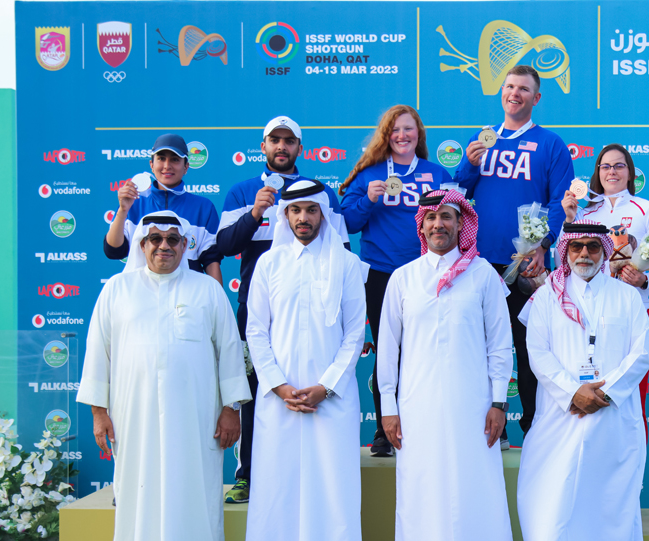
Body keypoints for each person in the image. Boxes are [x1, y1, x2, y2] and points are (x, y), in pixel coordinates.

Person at [77, 210, 251, 541]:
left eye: (174, 239)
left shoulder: (207, 291)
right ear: (142, 245)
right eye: (154, 239)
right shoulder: (117, 290)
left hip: (197, 419)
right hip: (132, 417)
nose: (164, 246)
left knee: (200, 498)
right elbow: (97, 354)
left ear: (186, 246)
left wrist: (231, 409)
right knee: (137, 497)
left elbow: (229, 351)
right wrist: (99, 413)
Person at [377, 189, 522, 541]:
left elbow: (501, 346)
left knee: (475, 497)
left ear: (463, 226)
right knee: (418, 498)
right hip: (416, 406)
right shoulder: (403, 278)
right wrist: (388, 406)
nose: (439, 224)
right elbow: (388, 349)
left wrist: (499, 402)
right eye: (432, 218)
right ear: (420, 226)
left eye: (448, 218)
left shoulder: (483, 277)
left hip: (472, 406)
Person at [517, 218, 649, 541]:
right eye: (576, 248)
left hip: (614, 416)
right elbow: (537, 353)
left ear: (604, 252)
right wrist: (571, 391)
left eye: (592, 248)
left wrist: (605, 393)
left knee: (616, 503)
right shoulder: (546, 297)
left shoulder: (628, 297)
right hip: (561, 416)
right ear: (565, 252)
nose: (584, 255)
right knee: (556, 501)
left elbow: (640, 354)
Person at [242, 180, 366, 541]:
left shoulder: (348, 265)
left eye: (312, 211)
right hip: (280, 401)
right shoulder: (270, 264)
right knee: (277, 493)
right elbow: (256, 330)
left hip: (331, 400)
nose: (303, 219)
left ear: (324, 215)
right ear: (285, 216)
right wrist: (277, 385)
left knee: (332, 495)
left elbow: (355, 334)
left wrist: (326, 385)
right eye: (295, 211)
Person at [215, 116, 345, 503]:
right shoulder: (243, 191)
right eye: (275, 140)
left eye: (290, 141)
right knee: (256, 390)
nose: (282, 147)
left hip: (315, 307)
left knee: (314, 383)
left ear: (299, 149)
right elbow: (223, 246)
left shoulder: (319, 193)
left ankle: (314, 478)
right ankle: (249, 475)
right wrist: (255, 212)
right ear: (263, 146)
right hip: (256, 310)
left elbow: (342, 251)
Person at [455, 64, 574, 445]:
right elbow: (456, 194)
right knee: (482, 346)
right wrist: (468, 164)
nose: (515, 93)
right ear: (501, 92)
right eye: (509, 86)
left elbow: (560, 201)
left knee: (530, 348)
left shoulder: (551, 144)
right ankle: (491, 428)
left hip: (528, 264)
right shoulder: (482, 139)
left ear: (536, 98)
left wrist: (543, 245)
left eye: (524, 89)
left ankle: (535, 429)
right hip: (480, 262)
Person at [339, 105, 453, 457]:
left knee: (427, 348)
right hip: (382, 273)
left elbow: (455, 220)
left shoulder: (436, 173)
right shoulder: (369, 173)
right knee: (388, 352)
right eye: (395, 130)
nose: (402, 136)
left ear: (419, 134)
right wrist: (369, 200)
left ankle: (426, 422)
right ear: (386, 136)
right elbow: (347, 223)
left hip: (427, 272)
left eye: (409, 129)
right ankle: (385, 430)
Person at [561, 143, 649, 436]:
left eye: (619, 165)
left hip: (634, 314)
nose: (612, 171)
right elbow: (562, 262)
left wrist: (646, 281)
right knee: (591, 393)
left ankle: (633, 480)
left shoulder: (646, 209)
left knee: (632, 398)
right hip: (588, 316)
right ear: (598, 172)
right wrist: (570, 219)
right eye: (606, 166)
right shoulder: (586, 212)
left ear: (630, 172)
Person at [104, 134, 223, 283]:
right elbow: (113, 251)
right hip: (141, 292)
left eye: (175, 159)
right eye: (161, 158)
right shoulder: (134, 203)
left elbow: (211, 261)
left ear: (186, 166)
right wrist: (122, 211)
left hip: (187, 294)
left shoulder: (203, 207)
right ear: (151, 165)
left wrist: (217, 298)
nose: (167, 166)